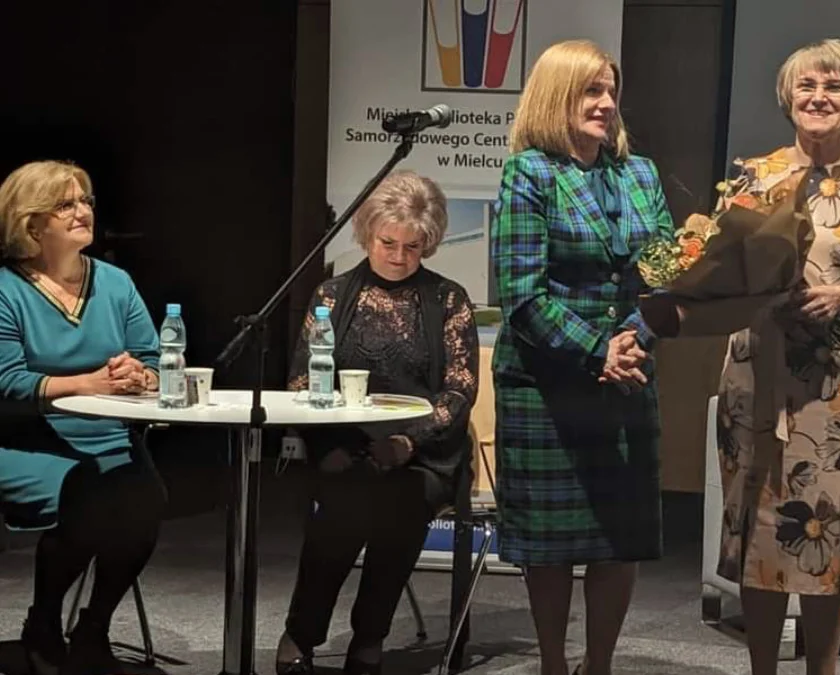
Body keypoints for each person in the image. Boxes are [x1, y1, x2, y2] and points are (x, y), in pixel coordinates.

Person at [648, 39, 840, 675]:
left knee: (827, 534)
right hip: (756, 374)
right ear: (787, 97)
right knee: (758, 530)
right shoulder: (750, 178)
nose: (818, 97)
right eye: (806, 86)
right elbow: (716, 268)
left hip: (838, 387)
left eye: (834, 86)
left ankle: (822, 669)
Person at [490, 39, 675, 675]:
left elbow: (668, 276)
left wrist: (633, 340)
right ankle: (552, 663)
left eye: (610, 90)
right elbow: (520, 295)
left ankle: (599, 664)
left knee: (617, 539)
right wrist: (599, 350)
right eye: (591, 90)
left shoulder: (640, 174)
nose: (606, 103)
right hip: (546, 382)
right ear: (556, 97)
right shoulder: (529, 173)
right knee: (550, 543)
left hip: (628, 374)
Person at [274, 170, 479, 675]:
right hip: (345, 445)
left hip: (423, 453)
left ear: (428, 244)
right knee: (344, 501)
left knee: (398, 504)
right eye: (388, 243)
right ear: (367, 235)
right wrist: (332, 447)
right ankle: (303, 631)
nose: (399, 256)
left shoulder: (448, 300)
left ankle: (370, 635)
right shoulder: (332, 296)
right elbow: (302, 381)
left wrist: (408, 443)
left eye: (413, 246)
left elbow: (459, 392)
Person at [0, 160, 166, 675]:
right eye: (65, 204)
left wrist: (140, 375)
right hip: (25, 439)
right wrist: (86, 384)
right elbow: (7, 381)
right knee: (90, 496)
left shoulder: (115, 283)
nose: (83, 212)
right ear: (31, 223)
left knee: (146, 499)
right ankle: (44, 623)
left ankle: (93, 627)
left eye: (85, 201)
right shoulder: (6, 290)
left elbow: (155, 360)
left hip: (108, 434)